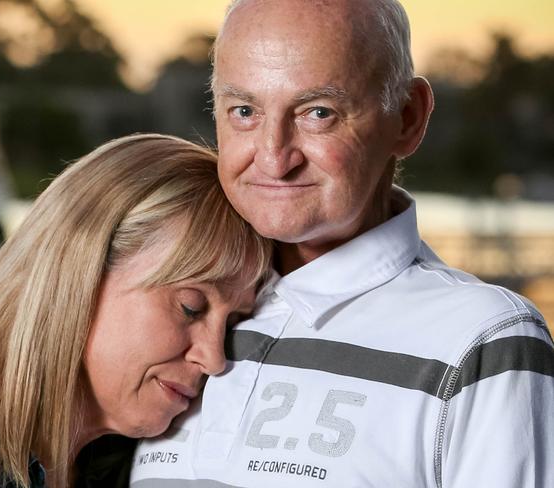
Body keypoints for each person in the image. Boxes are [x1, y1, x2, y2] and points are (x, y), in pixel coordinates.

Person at [129, 1, 554, 487]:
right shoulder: (156, 300)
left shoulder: (482, 342)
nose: (273, 158)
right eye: (244, 111)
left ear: (408, 117)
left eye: (318, 113)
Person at [0, 133, 272, 488]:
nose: (214, 359)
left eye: (232, 325)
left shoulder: (123, 464)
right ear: (80, 273)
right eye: (190, 308)